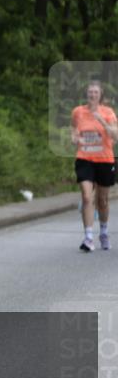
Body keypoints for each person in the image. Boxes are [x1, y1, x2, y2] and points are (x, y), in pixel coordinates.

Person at [70, 80, 117, 252]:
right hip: (85, 158)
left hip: (104, 160)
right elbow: (73, 131)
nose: (92, 95)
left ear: (100, 95)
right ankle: (88, 237)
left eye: (95, 92)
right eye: (90, 92)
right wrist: (75, 139)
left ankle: (103, 233)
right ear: (87, 94)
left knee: (103, 201)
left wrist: (103, 123)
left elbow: (116, 136)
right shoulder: (78, 112)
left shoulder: (108, 112)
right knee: (87, 197)